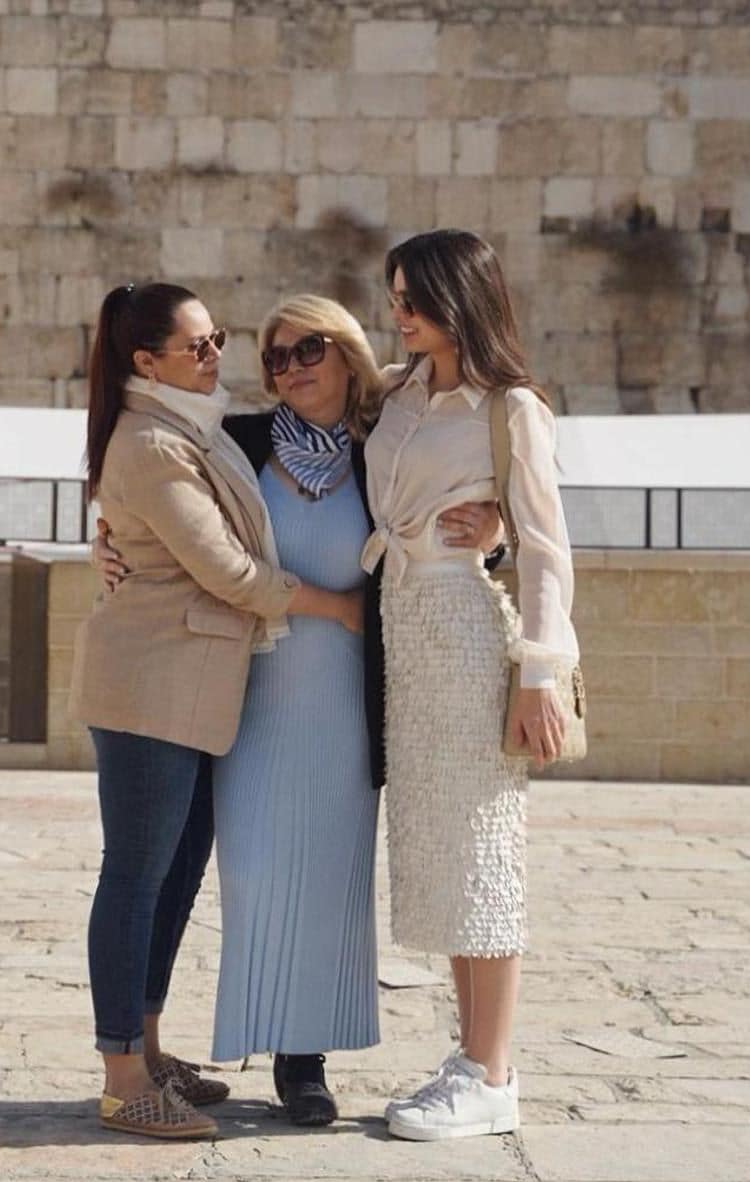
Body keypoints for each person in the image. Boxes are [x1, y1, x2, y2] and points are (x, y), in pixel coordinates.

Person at [93, 294, 503, 1126]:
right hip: (242, 691)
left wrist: (495, 527)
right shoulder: (233, 440)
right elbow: (170, 525)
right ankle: (189, 1046)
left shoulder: (382, 443)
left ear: (345, 350)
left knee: (329, 876)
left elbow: (467, 483)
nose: (290, 368)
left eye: (308, 349)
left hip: (348, 694)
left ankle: (302, 1059)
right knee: (241, 871)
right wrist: (105, 541)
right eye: (275, 357)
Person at [70, 282, 362, 1140]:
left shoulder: (187, 429)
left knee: (171, 872)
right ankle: (125, 1078)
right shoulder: (155, 442)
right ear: (145, 361)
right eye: (198, 345)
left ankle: (149, 1048)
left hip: (193, 689)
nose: (217, 356)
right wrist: (338, 607)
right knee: (134, 877)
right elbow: (228, 571)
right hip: (152, 682)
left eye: (218, 339)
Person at [362, 229, 580, 1142]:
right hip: (401, 631)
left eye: (414, 297)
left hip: (464, 630)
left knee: (485, 850)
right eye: (395, 295)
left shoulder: (512, 407)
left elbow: (545, 548)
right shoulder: (395, 395)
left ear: (462, 298)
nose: (399, 312)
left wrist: (539, 673)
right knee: (447, 856)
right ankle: (471, 1057)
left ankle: (493, 1072)